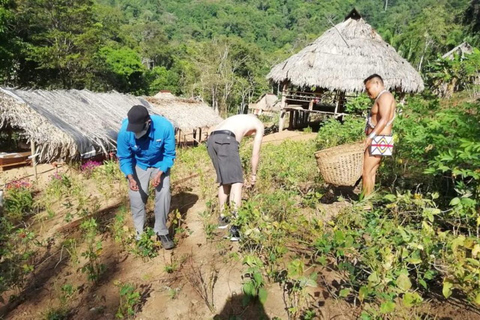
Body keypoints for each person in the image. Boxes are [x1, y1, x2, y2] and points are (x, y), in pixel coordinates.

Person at [117, 105, 176, 250]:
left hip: (159, 163)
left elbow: (169, 155)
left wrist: (160, 173)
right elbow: (124, 157)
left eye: (139, 129)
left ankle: (161, 231)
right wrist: (130, 177)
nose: (135, 132)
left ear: (148, 122)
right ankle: (140, 234)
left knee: (163, 194)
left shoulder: (165, 127)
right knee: (137, 197)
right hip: (139, 164)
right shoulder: (125, 132)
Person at [207, 114, 264, 240]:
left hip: (211, 141)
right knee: (237, 182)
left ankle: (223, 218)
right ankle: (235, 226)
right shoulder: (259, 125)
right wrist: (253, 174)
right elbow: (255, 154)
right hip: (226, 139)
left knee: (224, 181)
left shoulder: (237, 118)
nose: (249, 136)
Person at [362, 74, 396, 197]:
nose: (367, 92)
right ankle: (368, 200)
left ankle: (365, 202)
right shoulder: (381, 97)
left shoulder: (385, 96)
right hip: (380, 138)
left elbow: (384, 119)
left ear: (377, 83)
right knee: (371, 172)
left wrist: (370, 137)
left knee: (366, 171)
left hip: (379, 138)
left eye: (368, 88)